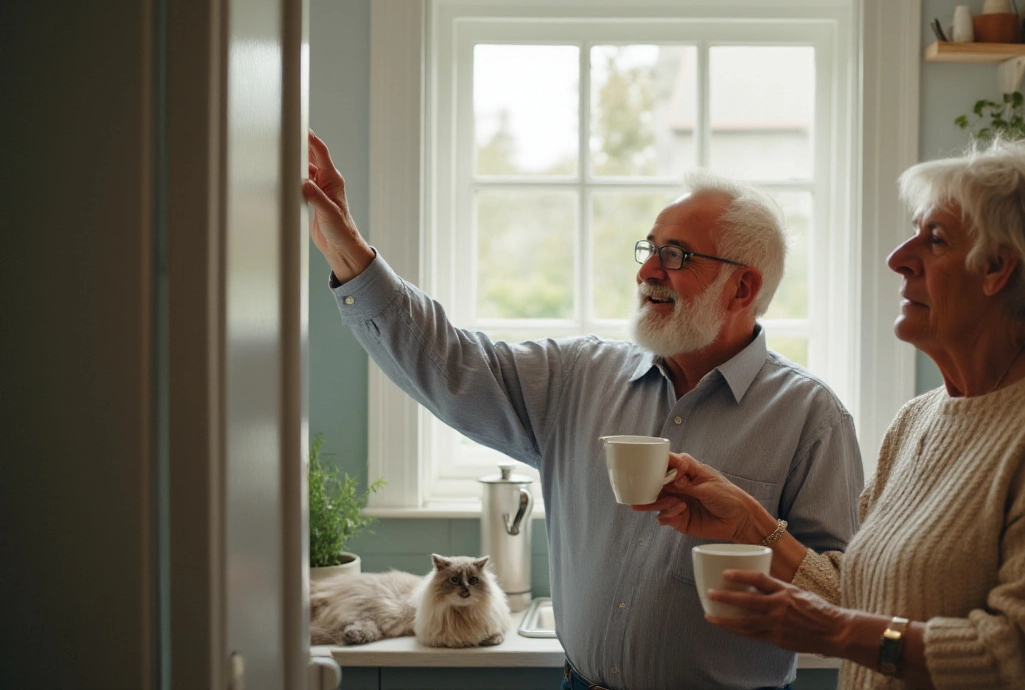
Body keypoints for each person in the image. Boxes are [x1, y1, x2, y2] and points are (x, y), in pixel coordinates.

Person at [301, 131, 864, 690]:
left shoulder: (813, 419)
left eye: (676, 256)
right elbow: (448, 361)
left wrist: (754, 528)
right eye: (650, 249)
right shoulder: (578, 377)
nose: (647, 272)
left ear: (743, 287)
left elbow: (843, 602)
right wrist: (347, 247)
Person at [637, 139, 1025, 689]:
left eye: (933, 239)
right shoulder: (918, 420)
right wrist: (749, 522)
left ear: (998, 268)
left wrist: (833, 633)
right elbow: (861, 599)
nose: (898, 258)